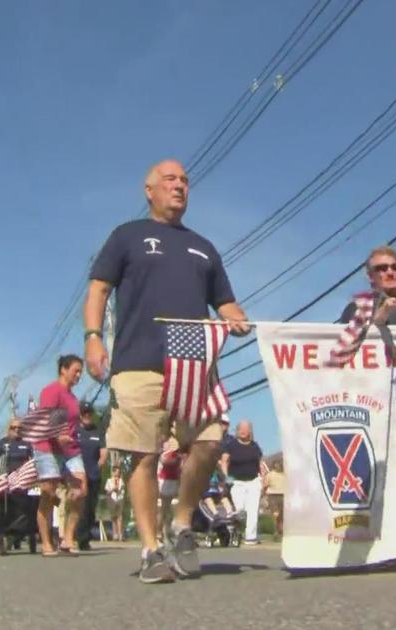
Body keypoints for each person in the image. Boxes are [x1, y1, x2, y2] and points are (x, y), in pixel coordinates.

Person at [84, 158, 251, 583]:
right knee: (145, 455)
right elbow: (99, 288)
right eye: (170, 179)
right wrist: (92, 337)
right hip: (138, 363)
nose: (179, 186)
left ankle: (181, 524)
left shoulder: (203, 247)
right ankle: (150, 549)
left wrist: (236, 316)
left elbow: (225, 302)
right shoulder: (127, 236)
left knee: (210, 442)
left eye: (185, 181)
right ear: (149, 189)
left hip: (195, 363)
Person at [31, 355, 89, 556]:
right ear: (63, 370)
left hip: (70, 449)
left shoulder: (73, 398)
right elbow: (46, 418)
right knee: (48, 492)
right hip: (47, 446)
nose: (79, 375)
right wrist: (57, 435)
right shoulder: (51, 391)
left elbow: (72, 423)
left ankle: (68, 538)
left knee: (81, 490)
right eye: (76, 370)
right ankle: (46, 542)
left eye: (81, 371)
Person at [336, 245, 396, 326]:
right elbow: (350, 339)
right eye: (382, 268)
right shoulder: (359, 307)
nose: (390, 272)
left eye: (394, 267)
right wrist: (380, 318)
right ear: (370, 276)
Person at [0, 418, 38, 555]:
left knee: (28, 506)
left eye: (19, 428)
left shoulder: (27, 444)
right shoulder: (1, 444)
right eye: (13, 427)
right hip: (4, 483)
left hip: (21, 483)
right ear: (8, 429)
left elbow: (32, 462)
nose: (17, 430)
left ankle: (18, 532)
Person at [220, 421, 265, 545]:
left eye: (246, 429)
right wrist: (226, 478)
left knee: (253, 509)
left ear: (250, 431)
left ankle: (251, 537)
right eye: (241, 429)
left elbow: (260, 463)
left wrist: (263, 479)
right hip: (237, 482)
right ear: (237, 431)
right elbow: (224, 461)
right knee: (240, 510)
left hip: (253, 482)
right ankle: (235, 529)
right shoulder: (231, 445)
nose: (244, 431)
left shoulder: (255, 446)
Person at [76, 402, 107, 551]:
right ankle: (76, 536)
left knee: (90, 508)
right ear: (80, 414)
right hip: (77, 475)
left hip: (93, 475)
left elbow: (104, 452)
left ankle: (84, 537)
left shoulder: (98, 431)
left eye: (89, 413)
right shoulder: (75, 431)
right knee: (78, 507)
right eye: (84, 412)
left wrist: (98, 465)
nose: (87, 415)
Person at [157, 440, 182, 544]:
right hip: (165, 481)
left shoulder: (178, 455)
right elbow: (166, 462)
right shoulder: (165, 455)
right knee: (164, 508)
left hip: (175, 481)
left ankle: (167, 532)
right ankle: (158, 532)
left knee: (173, 510)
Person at [264, 460, 287, 541]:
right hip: (273, 496)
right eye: (276, 465)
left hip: (284, 496)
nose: (278, 466)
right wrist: (263, 495)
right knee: (276, 514)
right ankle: (276, 531)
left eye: (280, 464)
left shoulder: (286, 474)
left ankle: (280, 531)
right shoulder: (270, 474)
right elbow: (265, 485)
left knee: (282, 516)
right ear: (274, 466)